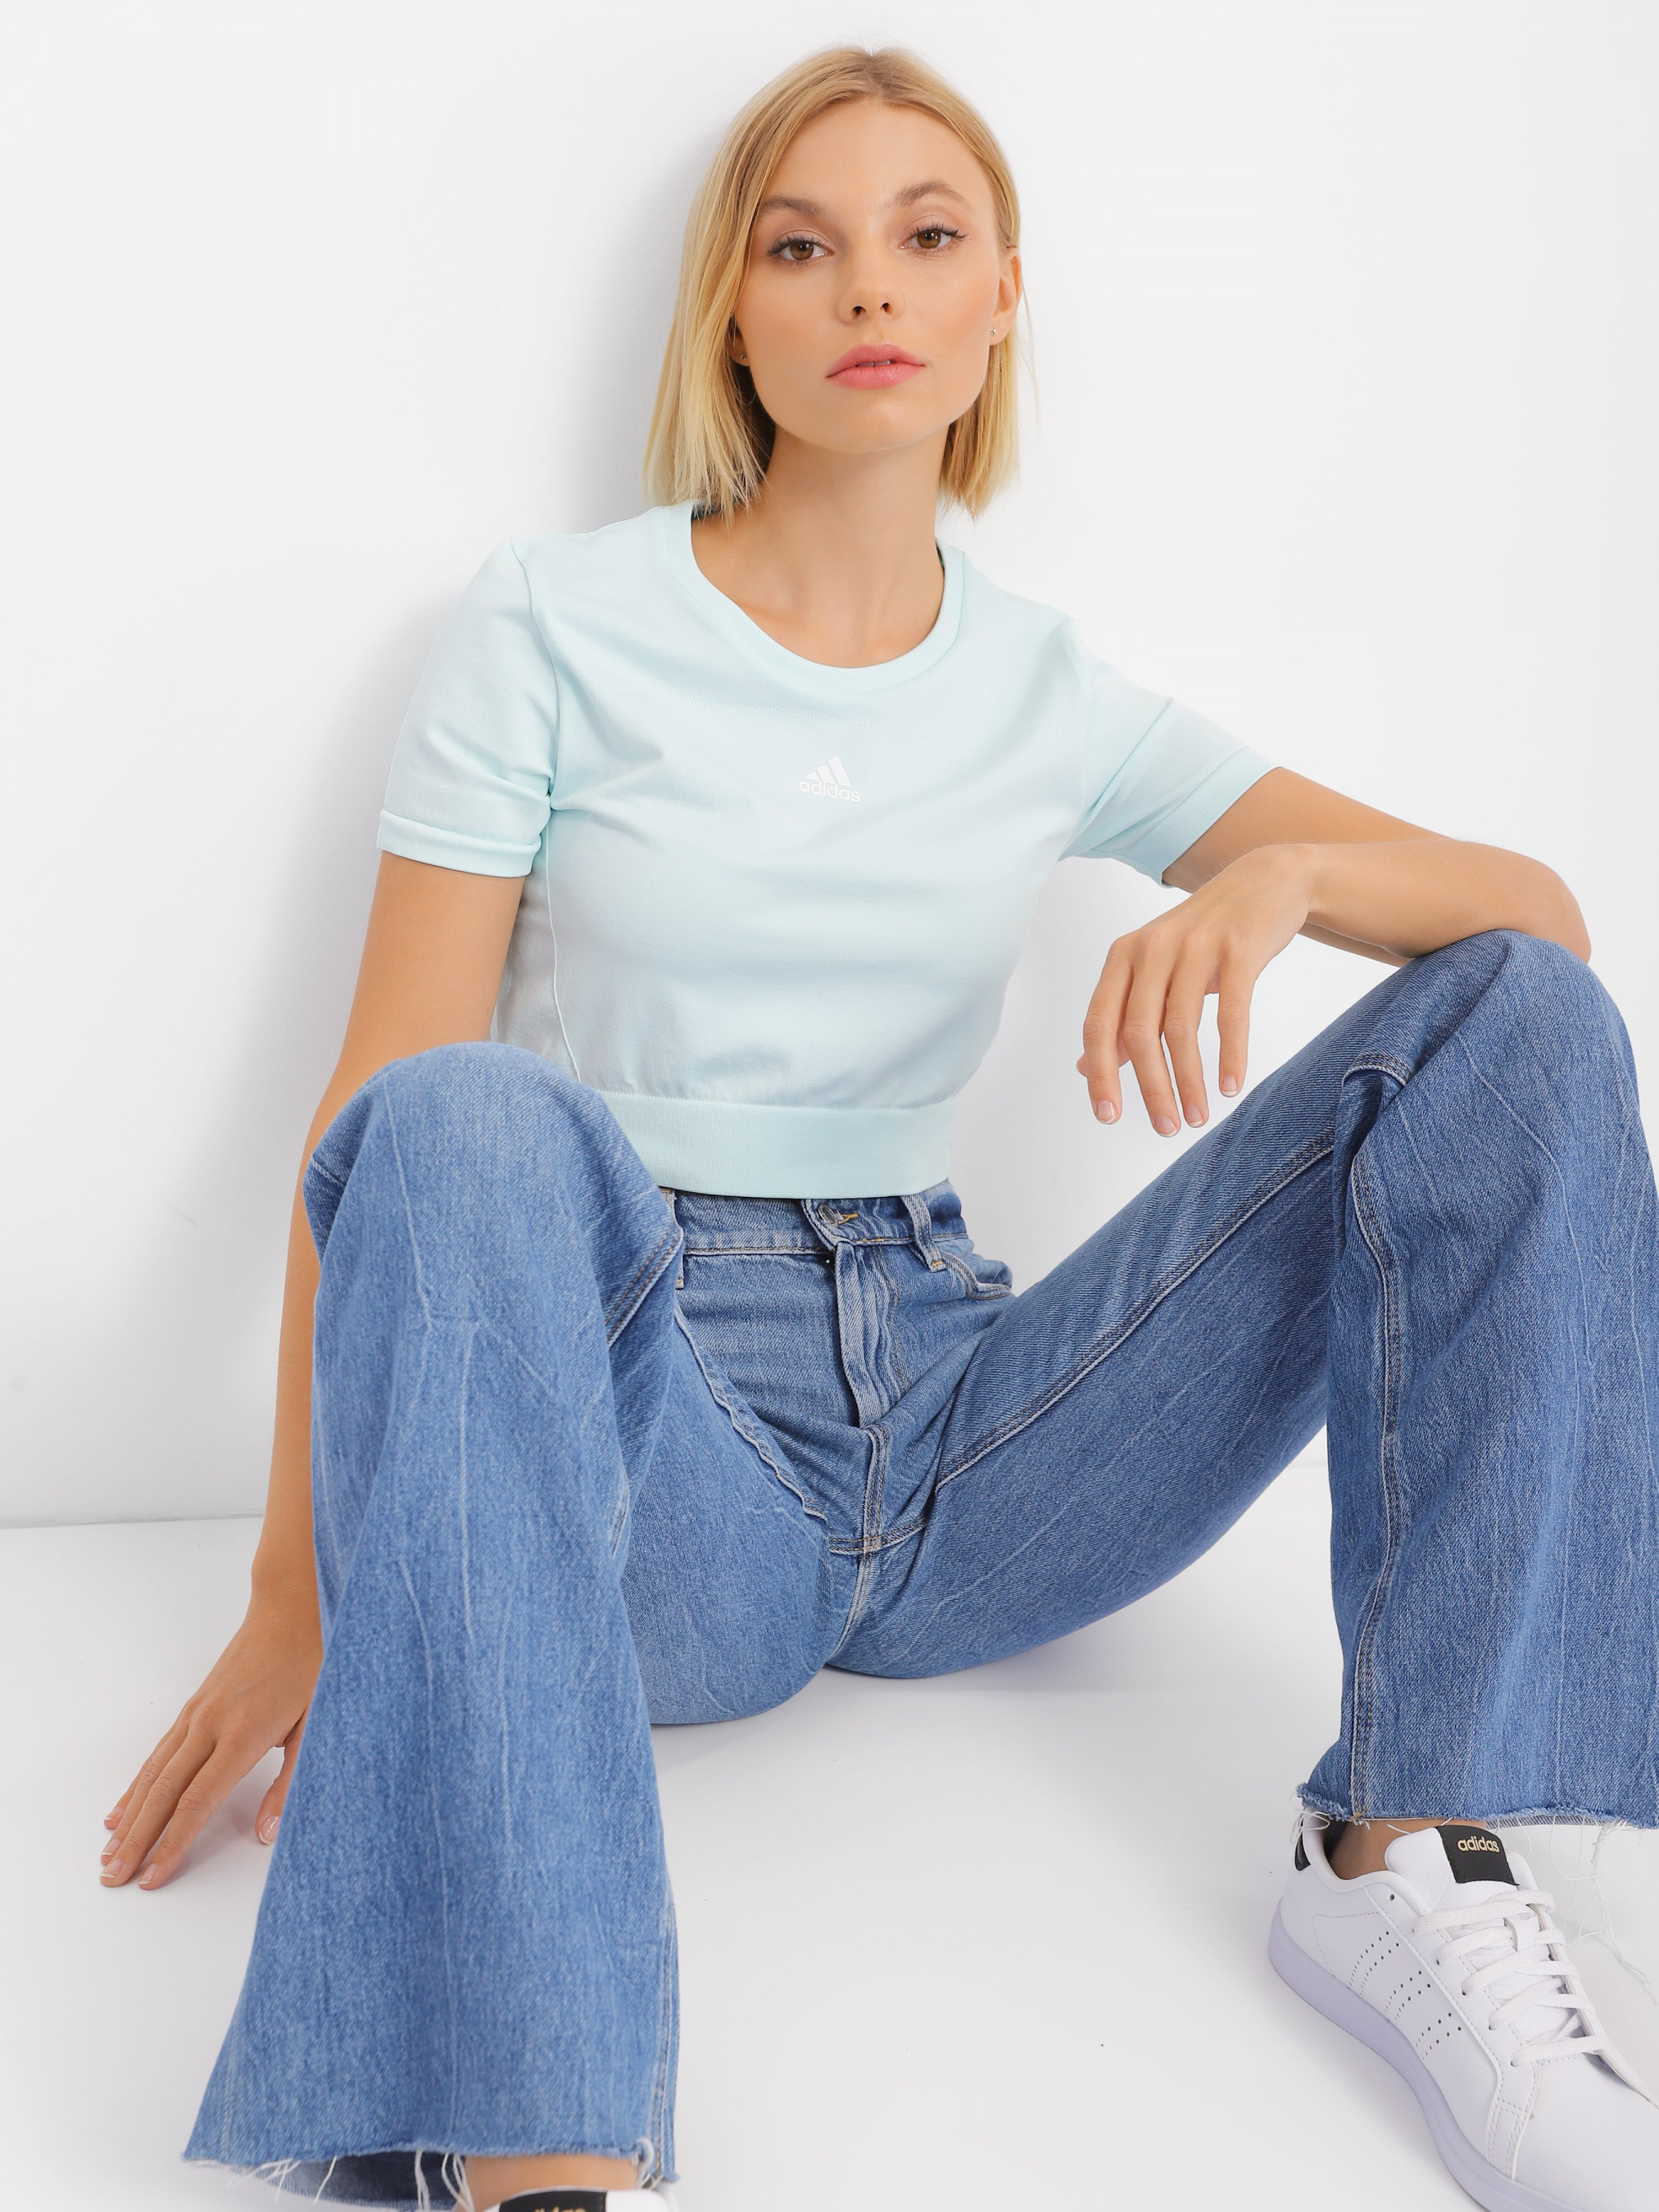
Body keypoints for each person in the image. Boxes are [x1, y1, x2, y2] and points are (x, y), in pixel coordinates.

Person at [100, 43, 1659, 2212]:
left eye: (928, 236)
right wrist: (300, 1587)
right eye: (800, 244)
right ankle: (533, 2151)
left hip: (968, 1430)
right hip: (662, 1454)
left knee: (1514, 1014)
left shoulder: (1045, 689)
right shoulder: (557, 625)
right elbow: (369, 1119)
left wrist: (1288, 878)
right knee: (461, 1114)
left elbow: (1541, 917)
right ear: (731, 312)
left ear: (1001, 299)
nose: (869, 287)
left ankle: (1411, 1849)